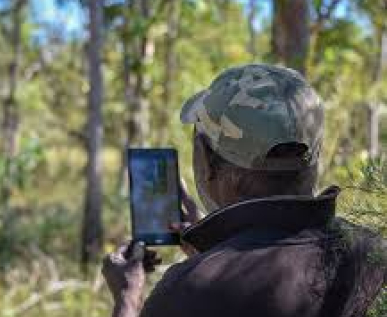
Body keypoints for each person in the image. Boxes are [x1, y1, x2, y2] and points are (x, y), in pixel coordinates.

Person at [102, 64, 387, 317]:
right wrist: (216, 246)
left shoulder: (188, 291)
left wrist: (127, 299)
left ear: (206, 160)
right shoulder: (374, 251)